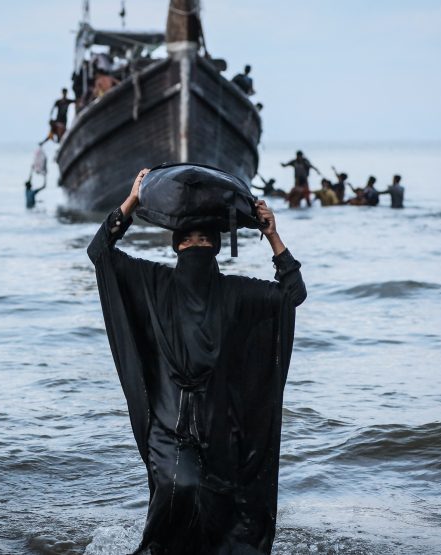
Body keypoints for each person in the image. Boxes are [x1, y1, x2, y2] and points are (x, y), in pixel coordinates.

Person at [88, 168, 306, 554]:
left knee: (221, 514)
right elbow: (99, 252)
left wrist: (272, 234)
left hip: (221, 426)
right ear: (176, 247)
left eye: (205, 239)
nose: (196, 246)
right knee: (177, 489)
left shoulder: (237, 291)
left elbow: (293, 294)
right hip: (167, 422)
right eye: (188, 240)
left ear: (217, 248)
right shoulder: (153, 281)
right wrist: (133, 199)